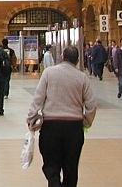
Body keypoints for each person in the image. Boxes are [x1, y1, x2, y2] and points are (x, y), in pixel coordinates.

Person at [27, 45, 97, 187]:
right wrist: (86, 122)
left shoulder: (49, 73)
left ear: (62, 57)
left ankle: (54, 184)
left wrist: (31, 118)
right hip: (74, 127)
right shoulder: (82, 77)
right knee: (71, 167)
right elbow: (91, 104)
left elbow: (38, 98)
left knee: (51, 165)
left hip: (51, 126)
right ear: (77, 61)